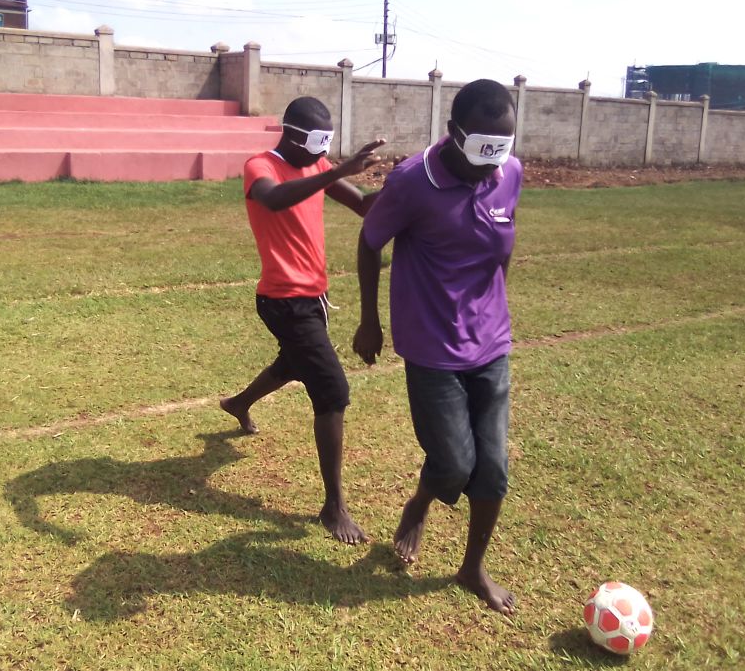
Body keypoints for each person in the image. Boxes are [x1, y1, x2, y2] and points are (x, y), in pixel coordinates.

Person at [352, 79, 522, 614]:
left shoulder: (509, 175)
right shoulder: (411, 182)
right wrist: (369, 322)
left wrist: (494, 306)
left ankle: (472, 568)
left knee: (492, 469)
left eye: (502, 149)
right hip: (432, 349)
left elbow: (503, 246)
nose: (492, 164)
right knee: (453, 465)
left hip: (491, 344)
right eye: (482, 150)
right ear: (453, 135)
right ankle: (420, 504)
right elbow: (369, 241)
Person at [221, 95, 385, 545]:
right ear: (290, 134)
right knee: (332, 389)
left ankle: (239, 403)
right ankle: (333, 507)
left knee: (294, 364)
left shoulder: (316, 164)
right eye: (315, 141)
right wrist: (335, 170)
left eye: (326, 144)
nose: (320, 151)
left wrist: (410, 182)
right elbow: (272, 200)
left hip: (313, 297)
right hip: (282, 300)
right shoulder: (262, 166)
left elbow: (364, 206)